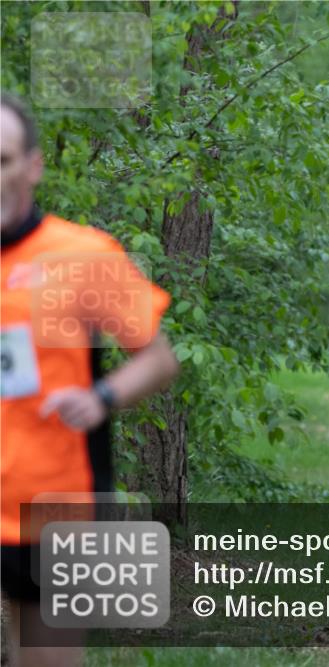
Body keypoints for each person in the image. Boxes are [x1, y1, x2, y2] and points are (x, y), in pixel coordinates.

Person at [1, 93, 180, 666]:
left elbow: (158, 358)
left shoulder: (82, 256)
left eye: (2, 159)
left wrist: (102, 395)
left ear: (33, 165)